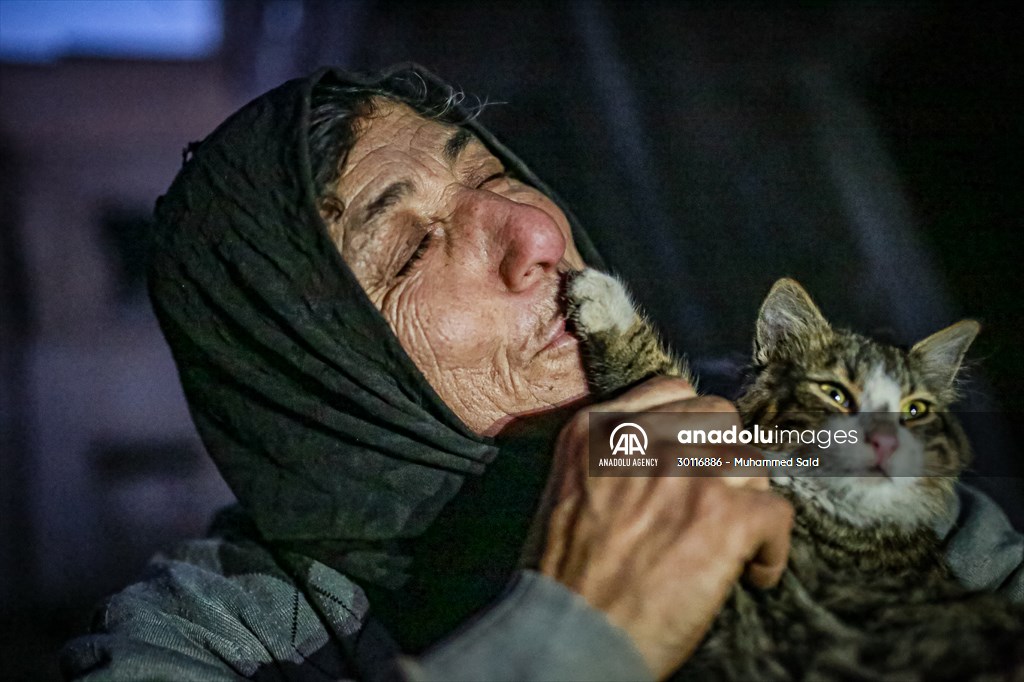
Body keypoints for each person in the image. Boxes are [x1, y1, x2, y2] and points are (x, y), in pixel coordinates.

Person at [61, 65, 1023, 682]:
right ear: (315, 376)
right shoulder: (209, 641)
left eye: (493, 175)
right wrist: (581, 636)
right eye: (411, 249)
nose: (537, 233)